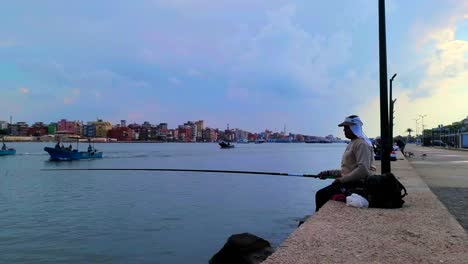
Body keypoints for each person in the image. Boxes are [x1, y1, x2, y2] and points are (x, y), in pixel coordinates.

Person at [315, 115, 376, 211]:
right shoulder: (352, 143)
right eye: (344, 128)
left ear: (354, 128)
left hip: (356, 184)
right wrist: (327, 173)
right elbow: (347, 170)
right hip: (348, 182)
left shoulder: (361, 144)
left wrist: (341, 180)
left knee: (321, 195)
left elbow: (363, 170)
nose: (344, 130)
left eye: (346, 127)